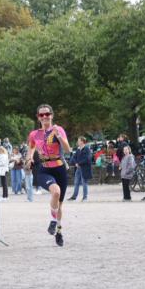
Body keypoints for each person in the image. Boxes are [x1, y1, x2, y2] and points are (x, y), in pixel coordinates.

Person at [28, 105, 72, 246]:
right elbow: (31, 146)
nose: (45, 117)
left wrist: (59, 137)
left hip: (59, 169)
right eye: (41, 115)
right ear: (38, 117)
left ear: (52, 115)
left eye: (47, 114)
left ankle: (58, 231)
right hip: (44, 170)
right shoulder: (34, 134)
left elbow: (67, 149)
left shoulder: (58, 130)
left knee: (59, 205)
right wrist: (29, 158)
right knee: (55, 192)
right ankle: (53, 222)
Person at [69, 137, 93, 201]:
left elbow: (88, 159)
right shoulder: (78, 149)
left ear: (82, 141)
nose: (77, 142)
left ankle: (85, 197)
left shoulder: (87, 149)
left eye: (78, 141)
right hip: (78, 169)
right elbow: (74, 157)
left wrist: (79, 163)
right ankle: (74, 197)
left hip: (84, 169)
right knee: (76, 182)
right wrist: (76, 163)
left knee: (84, 183)